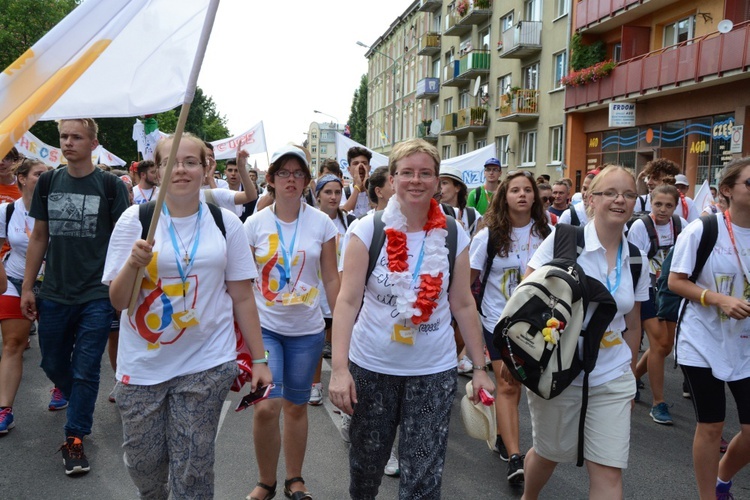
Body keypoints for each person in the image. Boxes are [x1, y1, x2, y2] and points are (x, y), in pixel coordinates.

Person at [103, 133, 272, 498]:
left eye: (190, 161)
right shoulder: (136, 220)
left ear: (205, 167)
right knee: (143, 463)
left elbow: (243, 296)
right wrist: (133, 264)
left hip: (207, 361)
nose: (180, 169)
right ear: (158, 169)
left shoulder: (227, 223)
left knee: (193, 465)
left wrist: (260, 359)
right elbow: (118, 301)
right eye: (171, 163)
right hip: (143, 365)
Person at [329, 138, 495, 499]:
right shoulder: (367, 231)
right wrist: (339, 370)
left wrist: (480, 367)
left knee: (423, 473)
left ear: (437, 181)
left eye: (425, 173)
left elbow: (464, 304)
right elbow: (346, 302)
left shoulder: (453, 233)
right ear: (392, 179)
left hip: (432, 373)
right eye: (406, 172)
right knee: (366, 469)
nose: (415, 180)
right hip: (372, 369)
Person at [522, 165, 649, 500]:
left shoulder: (636, 259)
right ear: (592, 198)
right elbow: (525, 297)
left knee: (608, 470)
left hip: (612, 374)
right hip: (558, 371)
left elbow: (633, 326)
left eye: (628, 194)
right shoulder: (564, 240)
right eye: (610, 193)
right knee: (549, 453)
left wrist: (631, 376)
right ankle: (528, 496)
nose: (620, 200)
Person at [21, 118, 130, 475]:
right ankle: (75, 397)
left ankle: (76, 438)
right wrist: (27, 287)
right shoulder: (49, 181)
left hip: (97, 295)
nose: (68, 143)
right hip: (54, 292)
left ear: (93, 143)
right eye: (64, 136)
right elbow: (39, 236)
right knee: (51, 363)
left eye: (76, 137)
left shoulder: (111, 186)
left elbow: (122, 241)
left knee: (85, 370)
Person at [244, 145, 340, 500]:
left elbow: (331, 278)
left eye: (298, 173)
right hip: (266, 327)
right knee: (267, 405)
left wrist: (343, 320)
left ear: (306, 182)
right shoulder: (254, 224)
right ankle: (265, 481)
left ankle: (294, 479)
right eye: (283, 173)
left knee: (297, 406)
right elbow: (241, 280)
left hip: (307, 331)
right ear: (270, 179)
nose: (291, 179)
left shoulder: (321, 223)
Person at [669, 157, 750, 500]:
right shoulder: (704, 229)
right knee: (712, 425)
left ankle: (722, 479)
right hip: (701, 340)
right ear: (728, 191)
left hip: (745, 344)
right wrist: (718, 299)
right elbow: (676, 281)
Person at [469, 170, 551, 484]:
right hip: (497, 323)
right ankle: (516, 458)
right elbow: (467, 283)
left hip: (537, 327)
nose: (521, 195)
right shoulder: (488, 235)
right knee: (507, 385)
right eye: (514, 190)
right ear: (504, 196)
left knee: (520, 385)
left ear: (534, 196)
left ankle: (505, 431)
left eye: (527, 190)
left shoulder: (549, 234)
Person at [627, 184, 687, 424]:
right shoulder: (641, 226)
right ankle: (658, 403)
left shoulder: (681, 226)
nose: (663, 210)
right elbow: (635, 262)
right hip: (647, 289)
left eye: (668, 205)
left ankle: (631, 379)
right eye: (658, 204)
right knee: (658, 342)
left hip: (670, 290)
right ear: (650, 203)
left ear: (676, 206)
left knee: (665, 347)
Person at [0, 158, 43, 433]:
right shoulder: (7, 211)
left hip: (52, 284)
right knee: (13, 344)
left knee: (55, 348)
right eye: (39, 174)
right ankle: (4, 410)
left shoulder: (57, 210)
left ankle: (62, 386)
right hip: (15, 281)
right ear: (23, 178)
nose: (45, 178)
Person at [309, 174, 354, 406]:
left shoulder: (350, 221)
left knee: (341, 339)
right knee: (317, 341)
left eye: (337, 192)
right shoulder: (309, 221)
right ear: (317, 196)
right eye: (328, 192)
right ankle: (314, 384)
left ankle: (342, 387)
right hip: (316, 291)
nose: (334, 197)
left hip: (342, 291)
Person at [439, 165, 481, 237]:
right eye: (438, 183)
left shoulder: (472, 215)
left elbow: (480, 244)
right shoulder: (430, 213)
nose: (440, 187)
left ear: (457, 188)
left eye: (444, 183)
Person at [340, 147, 372, 217]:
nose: (360, 166)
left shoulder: (378, 191)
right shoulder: (342, 192)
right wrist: (357, 187)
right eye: (356, 163)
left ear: (369, 168)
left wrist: (367, 187)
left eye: (364, 163)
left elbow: (379, 210)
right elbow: (343, 215)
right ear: (349, 169)